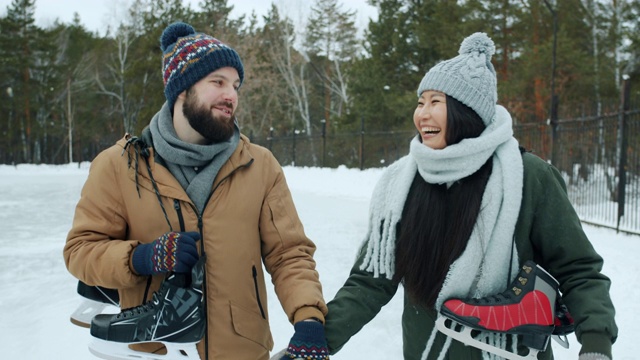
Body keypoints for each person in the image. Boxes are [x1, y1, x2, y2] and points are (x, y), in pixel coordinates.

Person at [323, 32, 617, 360]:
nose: (422, 114)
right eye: (421, 102)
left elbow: (577, 267)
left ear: (466, 112)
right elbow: (371, 280)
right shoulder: (402, 184)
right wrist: (319, 340)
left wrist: (596, 341)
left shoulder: (529, 177)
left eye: (436, 102)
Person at [64, 21, 329, 360]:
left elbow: (289, 254)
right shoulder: (119, 165)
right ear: (181, 90)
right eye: (217, 82)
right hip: (152, 351)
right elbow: (81, 251)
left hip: (242, 351)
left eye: (235, 85)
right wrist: (140, 258)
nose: (230, 95)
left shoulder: (259, 165)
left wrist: (308, 317)